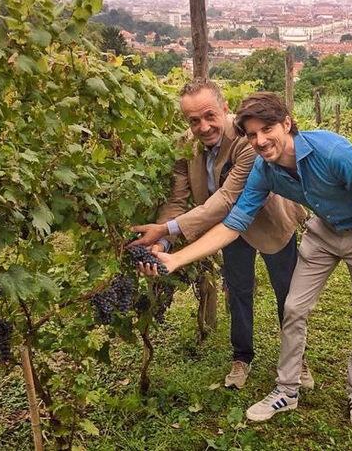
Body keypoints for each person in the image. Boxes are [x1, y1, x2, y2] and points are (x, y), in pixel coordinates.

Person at [152, 92, 352, 430]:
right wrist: (176, 259)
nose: (261, 141)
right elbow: (233, 223)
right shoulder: (264, 171)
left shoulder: (333, 151)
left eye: (267, 129)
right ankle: (287, 390)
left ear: (287, 123)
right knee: (294, 308)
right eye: (252, 135)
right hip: (324, 229)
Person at [130, 80, 312, 390]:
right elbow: (177, 200)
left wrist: (166, 230)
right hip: (226, 232)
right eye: (193, 120)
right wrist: (162, 241)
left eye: (210, 115)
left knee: (288, 295)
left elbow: (227, 199)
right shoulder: (184, 146)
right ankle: (242, 357)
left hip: (269, 223)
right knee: (238, 291)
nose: (203, 126)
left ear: (224, 108)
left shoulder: (246, 139)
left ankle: (297, 358)